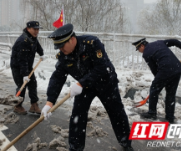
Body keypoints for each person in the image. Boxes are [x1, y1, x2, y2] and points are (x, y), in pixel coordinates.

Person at [41, 23, 134, 151]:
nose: (61, 49)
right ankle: (75, 147)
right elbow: (58, 77)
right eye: (59, 47)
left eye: (62, 46)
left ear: (72, 39)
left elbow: (101, 68)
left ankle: (126, 143)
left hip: (106, 83)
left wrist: (81, 83)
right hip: (85, 87)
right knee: (77, 116)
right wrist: (49, 102)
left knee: (116, 112)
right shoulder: (64, 55)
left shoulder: (92, 43)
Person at [132, 38, 181, 123]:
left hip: (165, 70)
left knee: (154, 90)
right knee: (171, 94)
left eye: (138, 49)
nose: (139, 51)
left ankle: (152, 113)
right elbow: (174, 41)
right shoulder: (160, 42)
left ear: (142, 46)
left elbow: (154, 69)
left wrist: (159, 81)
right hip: (177, 69)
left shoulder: (146, 53)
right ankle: (170, 116)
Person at [11, 21, 45, 115]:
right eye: (35, 29)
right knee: (22, 85)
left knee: (33, 84)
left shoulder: (33, 38)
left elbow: (37, 46)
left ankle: (34, 105)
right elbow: (22, 60)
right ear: (28, 29)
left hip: (27, 65)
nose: (36, 31)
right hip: (17, 66)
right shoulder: (22, 41)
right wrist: (25, 74)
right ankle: (17, 105)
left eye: (38, 29)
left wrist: (41, 54)